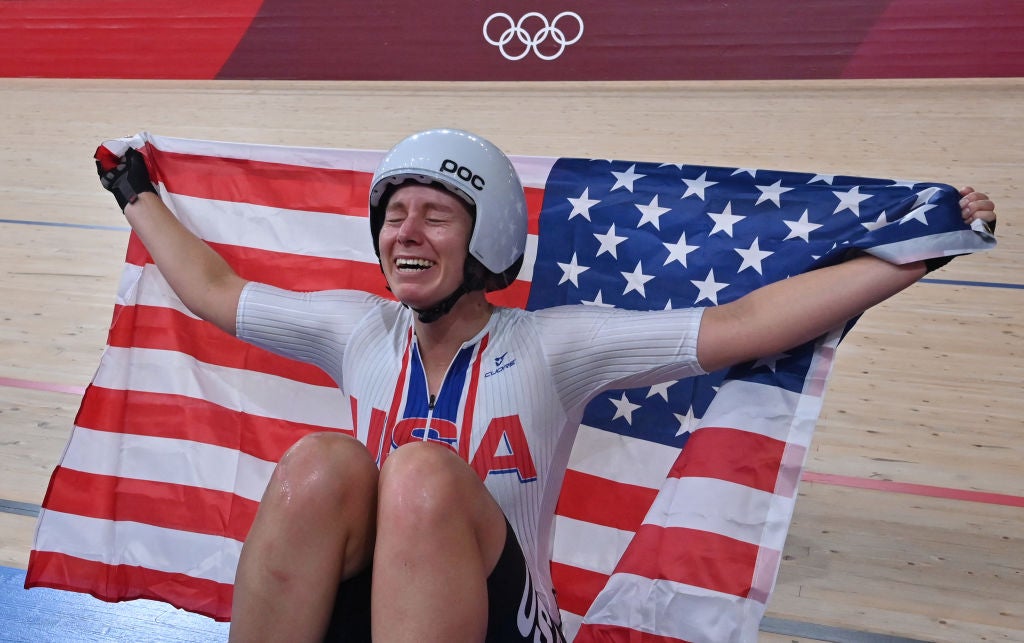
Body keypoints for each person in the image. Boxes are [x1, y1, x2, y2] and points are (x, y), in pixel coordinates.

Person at [95, 129, 996, 643]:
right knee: (317, 464)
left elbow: (740, 327)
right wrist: (137, 195)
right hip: (387, 615)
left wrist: (910, 253)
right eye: (393, 214)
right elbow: (214, 292)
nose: (406, 230)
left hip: (512, 630)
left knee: (417, 472)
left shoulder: (558, 345)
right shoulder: (355, 328)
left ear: (485, 237)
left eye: (434, 214)